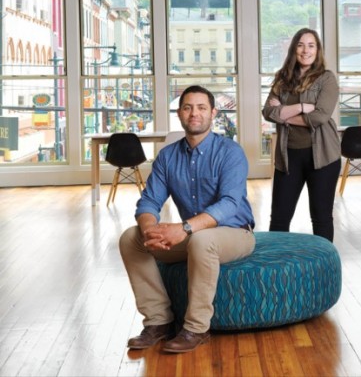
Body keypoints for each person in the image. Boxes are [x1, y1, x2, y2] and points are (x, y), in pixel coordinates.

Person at [120, 85, 256, 353]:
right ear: (180, 114)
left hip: (235, 233)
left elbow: (230, 204)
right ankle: (158, 322)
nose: (194, 113)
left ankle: (196, 328)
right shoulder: (168, 156)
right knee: (131, 238)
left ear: (213, 113)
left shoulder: (230, 152)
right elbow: (148, 201)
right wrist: (150, 231)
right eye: (188, 107)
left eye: (201, 107)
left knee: (202, 240)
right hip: (193, 236)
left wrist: (184, 228)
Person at [262, 28, 341, 241]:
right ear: (294, 49)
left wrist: (284, 114)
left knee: (321, 217)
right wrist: (302, 106)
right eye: (301, 45)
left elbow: (320, 116)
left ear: (318, 50)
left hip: (323, 157)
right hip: (288, 157)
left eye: (311, 45)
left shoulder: (326, 79)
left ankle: (325, 270)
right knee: (279, 218)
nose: (305, 50)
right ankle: (275, 268)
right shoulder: (283, 78)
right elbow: (268, 112)